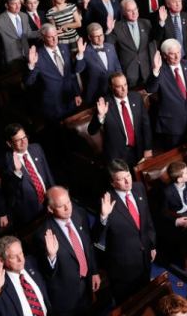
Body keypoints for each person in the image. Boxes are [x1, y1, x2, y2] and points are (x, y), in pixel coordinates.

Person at [97, 159, 156, 304]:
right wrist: (103, 217)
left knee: (146, 298)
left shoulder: (139, 187)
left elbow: (147, 220)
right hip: (123, 269)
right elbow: (96, 237)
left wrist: (152, 244)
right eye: (121, 179)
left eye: (128, 175)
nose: (127, 181)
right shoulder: (106, 200)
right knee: (127, 305)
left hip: (145, 258)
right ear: (112, 183)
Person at [36, 186, 100, 316]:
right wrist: (51, 256)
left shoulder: (79, 214)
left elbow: (87, 245)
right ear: (50, 209)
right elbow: (46, 274)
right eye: (61, 206)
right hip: (66, 299)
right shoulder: (42, 235)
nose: (67, 208)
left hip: (86, 286)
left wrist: (93, 271)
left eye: (68, 202)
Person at [145, 39, 187, 149]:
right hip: (172, 124)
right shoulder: (160, 71)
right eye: (172, 54)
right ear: (164, 55)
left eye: (178, 52)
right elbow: (150, 89)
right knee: (174, 155)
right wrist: (155, 70)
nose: (177, 57)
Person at [87, 72, 153, 168]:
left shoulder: (136, 98)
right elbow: (91, 131)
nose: (124, 89)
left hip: (139, 150)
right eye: (119, 86)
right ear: (111, 87)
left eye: (125, 85)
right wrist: (100, 116)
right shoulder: (105, 104)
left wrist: (148, 148)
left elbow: (146, 125)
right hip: (117, 156)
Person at [24, 25, 82, 122]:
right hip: (53, 107)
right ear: (43, 37)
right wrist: (31, 65)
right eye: (50, 37)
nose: (55, 39)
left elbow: (71, 74)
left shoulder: (64, 47)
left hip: (70, 100)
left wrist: (76, 93)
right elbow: (28, 82)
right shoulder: (37, 56)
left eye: (56, 35)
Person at [2, 123, 55, 226]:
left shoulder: (36, 148)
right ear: (9, 143)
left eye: (24, 137)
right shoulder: (6, 162)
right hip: (31, 212)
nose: (24, 142)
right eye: (18, 140)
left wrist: (53, 198)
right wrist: (17, 172)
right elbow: (10, 193)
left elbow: (47, 174)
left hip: (49, 201)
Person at [0, 235, 51, 316]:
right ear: (1, 260)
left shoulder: (32, 262)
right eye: (14, 256)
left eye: (21, 253)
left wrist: (51, 255)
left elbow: (51, 275)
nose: (20, 259)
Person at [106, 0, 154, 88]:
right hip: (129, 72)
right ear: (123, 12)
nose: (134, 13)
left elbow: (154, 43)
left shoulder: (146, 23)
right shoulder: (117, 27)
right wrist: (109, 31)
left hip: (147, 70)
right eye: (129, 10)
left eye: (135, 9)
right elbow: (109, 46)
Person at [0, 0, 38, 69]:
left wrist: (43, 31)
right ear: (6, 5)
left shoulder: (24, 16)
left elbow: (29, 34)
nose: (18, 6)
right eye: (14, 4)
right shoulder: (0, 20)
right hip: (13, 60)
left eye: (19, 3)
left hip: (27, 55)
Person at [75, 23, 121, 104]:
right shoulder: (84, 51)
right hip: (95, 95)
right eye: (96, 36)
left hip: (113, 91)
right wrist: (80, 54)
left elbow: (117, 67)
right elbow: (78, 69)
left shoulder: (110, 46)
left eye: (101, 35)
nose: (100, 39)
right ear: (89, 37)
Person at [153, 0, 187, 64]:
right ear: (168, 4)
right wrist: (162, 22)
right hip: (170, 59)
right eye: (174, 2)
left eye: (179, 1)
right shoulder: (162, 17)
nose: (178, 4)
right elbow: (157, 39)